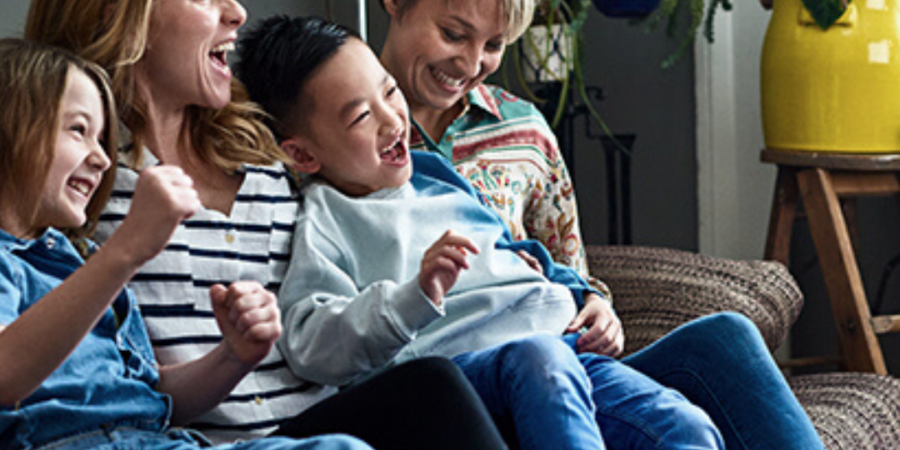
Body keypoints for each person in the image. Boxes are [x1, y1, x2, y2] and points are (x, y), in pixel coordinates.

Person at [23, 1, 509, 449]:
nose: (236, 12)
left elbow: (402, 209)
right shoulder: (78, 185)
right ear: (120, 16)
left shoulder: (269, 149)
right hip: (205, 438)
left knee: (439, 385)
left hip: (327, 421)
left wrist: (564, 283)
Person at [237, 15, 727, 450]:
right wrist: (413, 295)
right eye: (362, 117)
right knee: (541, 360)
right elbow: (310, 341)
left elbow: (520, 251)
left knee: (687, 429)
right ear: (302, 154)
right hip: (473, 368)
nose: (392, 120)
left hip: (563, 347)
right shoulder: (326, 220)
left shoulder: (436, 176)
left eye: (388, 92)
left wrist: (582, 294)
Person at [375, 0, 827, 449]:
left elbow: (571, 269)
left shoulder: (524, 131)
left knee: (725, 338)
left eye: (494, 44)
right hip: (466, 381)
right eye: (453, 34)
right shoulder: (341, 136)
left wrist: (597, 305)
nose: (472, 64)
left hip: (565, 362)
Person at [0, 37, 372, 450]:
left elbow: (154, 398)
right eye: (77, 130)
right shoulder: (49, 265)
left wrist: (234, 355)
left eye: (101, 139)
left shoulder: (68, 259)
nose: (102, 158)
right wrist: (125, 252)